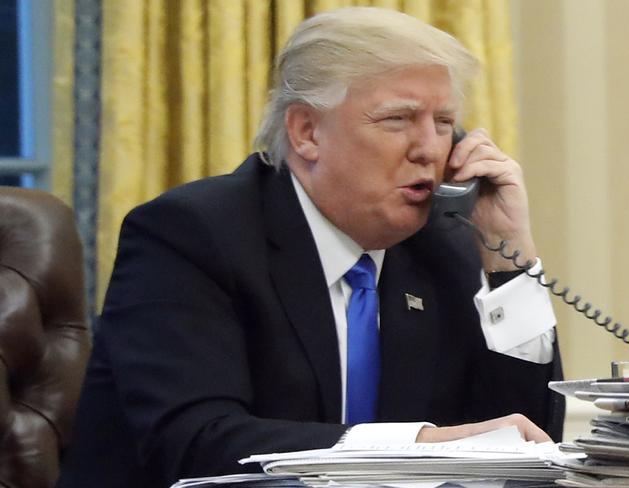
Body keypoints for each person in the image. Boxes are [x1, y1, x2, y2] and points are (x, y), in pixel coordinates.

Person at [58, 7, 565, 488]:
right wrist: (417, 445)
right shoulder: (190, 234)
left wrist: (509, 260)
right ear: (306, 132)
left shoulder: (444, 247)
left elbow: (531, 446)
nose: (430, 149)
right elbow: (196, 440)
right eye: (397, 120)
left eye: (442, 123)